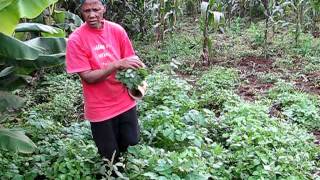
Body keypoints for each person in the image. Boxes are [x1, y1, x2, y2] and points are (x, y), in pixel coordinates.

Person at [65, 0, 145, 161]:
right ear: (81, 11)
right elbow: (88, 77)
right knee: (109, 155)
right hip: (100, 108)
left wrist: (138, 70)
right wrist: (116, 64)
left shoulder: (116, 30)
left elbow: (129, 57)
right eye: (87, 11)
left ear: (104, 9)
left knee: (131, 143)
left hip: (125, 101)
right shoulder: (76, 40)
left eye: (96, 9)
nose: (92, 14)